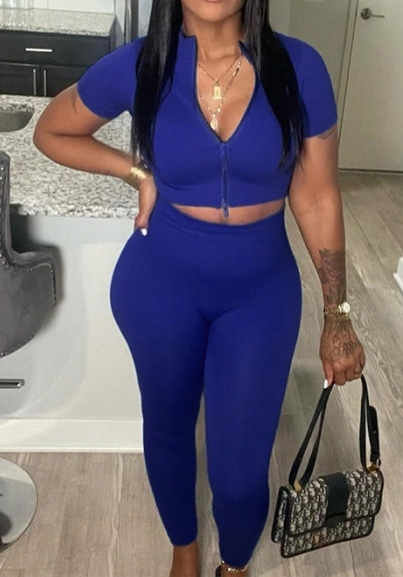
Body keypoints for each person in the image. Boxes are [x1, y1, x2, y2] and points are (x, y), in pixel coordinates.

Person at [33, 0, 366, 575]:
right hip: (158, 286)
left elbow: (316, 196)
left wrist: (337, 313)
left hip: (259, 295)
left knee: (240, 472)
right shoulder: (141, 65)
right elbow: (52, 130)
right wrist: (136, 173)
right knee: (168, 428)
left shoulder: (300, 68)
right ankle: (184, 548)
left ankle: (234, 563)